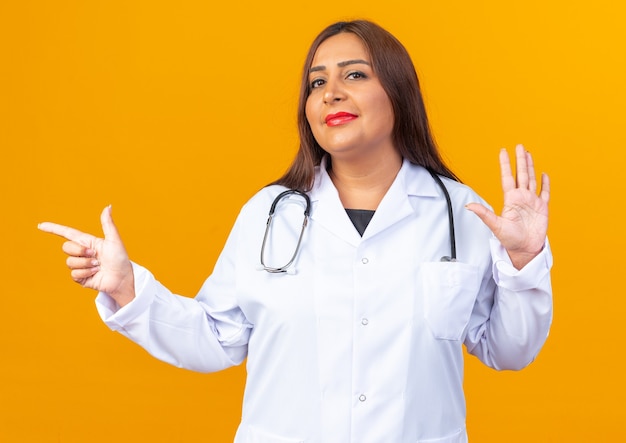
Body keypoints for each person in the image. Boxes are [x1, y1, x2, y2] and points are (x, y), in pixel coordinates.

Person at [39, 19, 552, 443]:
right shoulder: (269, 214)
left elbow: (508, 349)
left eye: (354, 75)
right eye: (316, 82)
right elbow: (216, 338)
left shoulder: (460, 211)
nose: (331, 93)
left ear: (399, 91)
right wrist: (128, 289)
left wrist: (526, 261)